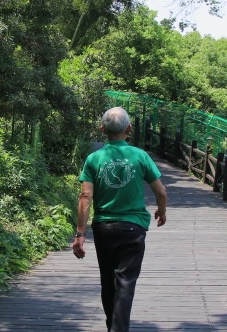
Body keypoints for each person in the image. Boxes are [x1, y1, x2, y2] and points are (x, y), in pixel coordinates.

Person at [72, 106, 168, 332]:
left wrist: (80, 234)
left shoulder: (94, 158)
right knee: (125, 284)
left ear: (102, 129)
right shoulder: (140, 156)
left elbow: (86, 196)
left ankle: (112, 327)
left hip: (104, 228)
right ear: (129, 128)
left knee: (108, 283)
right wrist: (161, 211)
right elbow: (161, 192)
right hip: (133, 228)